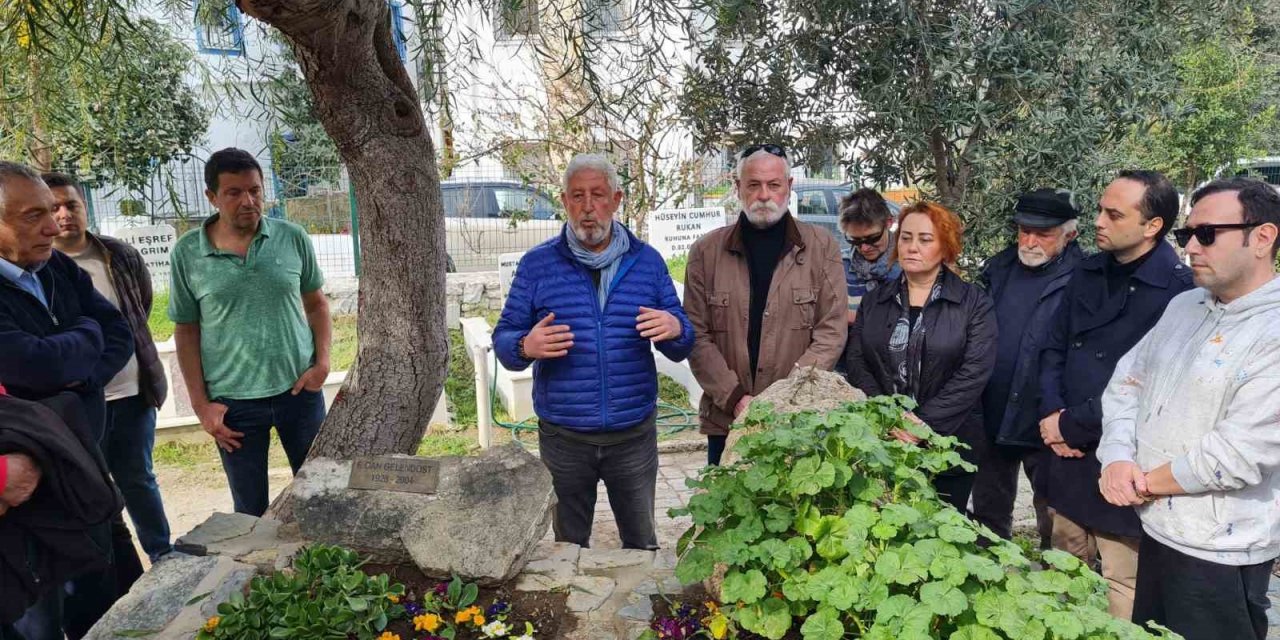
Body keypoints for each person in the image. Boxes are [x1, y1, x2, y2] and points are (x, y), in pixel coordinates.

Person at [1098, 177, 1280, 640]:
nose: (1191, 248)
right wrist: (1117, 457)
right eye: (1187, 235)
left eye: (1207, 234)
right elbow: (1127, 384)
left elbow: (1242, 451)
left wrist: (1142, 482)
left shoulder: (1272, 331)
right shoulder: (1185, 306)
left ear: (1262, 237)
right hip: (1156, 529)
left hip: (1219, 550)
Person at [494, 153, 693, 550]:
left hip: (632, 436)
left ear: (616, 200)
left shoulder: (647, 262)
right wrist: (524, 345)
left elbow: (682, 341)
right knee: (568, 547)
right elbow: (506, 341)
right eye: (577, 196)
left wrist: (675, 328)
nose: (588, 208)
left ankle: (647, 611)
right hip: (564, 437)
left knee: (641, 543)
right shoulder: (538, 265)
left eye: (598, 195)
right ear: (564, 201)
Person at [1038, 170, 1193, 619]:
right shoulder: (1086, 271)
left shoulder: (1179, 293)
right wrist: (1052, 417)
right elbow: (1053, 346)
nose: (1098, 222)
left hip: (1122, 458)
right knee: (1063, 566)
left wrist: (1072, 424)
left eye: (1113, 214)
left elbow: (1151, 387)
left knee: (1122, 582)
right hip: (1065, 454)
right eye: (1100, 210)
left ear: (1152, 226)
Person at [0, 161, 137, 639]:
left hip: (84, 462)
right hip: (29, 493)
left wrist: (80, 384)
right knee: (41, 616)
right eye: (30, 216)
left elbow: (118, 331)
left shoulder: (54, 265)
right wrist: (81, 342)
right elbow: (31, 363)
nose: (50, 226)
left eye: (51, 211)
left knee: (114, 598)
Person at [169, 148, 332, 517]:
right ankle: (258, 575)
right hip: (234, 404)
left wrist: (322, 364)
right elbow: (187, 331)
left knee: (318, 498)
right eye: (234, 192)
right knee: (249, 510)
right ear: (212, 197)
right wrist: (201, 406)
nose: (248, 201)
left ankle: (320, 572)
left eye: (255, 191)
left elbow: (317, 305)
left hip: (299, 393)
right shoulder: (188, 253)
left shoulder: (292, 238)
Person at [684, 145, 846, 466]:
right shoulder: (706, 253)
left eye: (773, 185)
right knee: (726, 513)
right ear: (738, 188)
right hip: (728, 419)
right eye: (753, 185)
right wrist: (736, 400)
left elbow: (831, 331)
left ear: (789, 186)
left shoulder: (821, 248)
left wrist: (784, 399)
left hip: (798, 421)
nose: (763, 195)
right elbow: (696, 335)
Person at [45, 172, 173, 562]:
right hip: (78, 404)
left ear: (86, 207)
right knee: (92, 487)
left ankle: (162, 555)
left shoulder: (119, 255)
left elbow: (139, 311)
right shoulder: (40, 268)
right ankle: (115, 567)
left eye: (72, 205)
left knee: (139, 479)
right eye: (54, 208)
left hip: (133, 393)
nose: (65, 214)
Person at [845, 201, 996, 512]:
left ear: (946, 246)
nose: (912, 247)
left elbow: (974, 372)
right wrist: (889, 418)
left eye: (925, 240)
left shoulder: (973, 303)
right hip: (885, 440)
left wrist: (922, 424)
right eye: (906, 237)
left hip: (950, 443)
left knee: (941, 532)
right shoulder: (876, 301)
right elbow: (858, 362)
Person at [971, 189, 1084, 545]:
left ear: (1070, 235)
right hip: (994, 413)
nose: (1030, 240)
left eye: (1043, 233)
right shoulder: (999, 267)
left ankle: (1057, 593)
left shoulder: (1086, 278)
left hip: (1048, 420)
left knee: (1057, 520)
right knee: (988, 516)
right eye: (1023, 230)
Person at [839, 188, 901, 325]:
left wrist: (852, 317)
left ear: (888, 223)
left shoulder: (908, 265)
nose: (864, 248)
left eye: (872, 238)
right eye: (855, 241)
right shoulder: (838, 266)